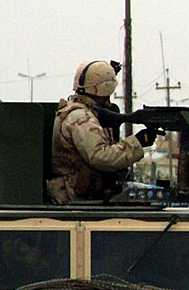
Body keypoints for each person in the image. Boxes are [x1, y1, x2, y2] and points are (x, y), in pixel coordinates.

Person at [47, 60, 157, 203]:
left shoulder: (82, 113)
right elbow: (100, 157)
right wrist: (137, 142)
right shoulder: (81, 118)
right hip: (74, 198)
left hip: (80, 196)